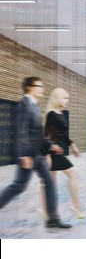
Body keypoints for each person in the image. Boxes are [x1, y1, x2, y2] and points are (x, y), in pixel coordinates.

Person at [0, 77, 72, 228]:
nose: (42, 89)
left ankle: (53, 218)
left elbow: (39, 134)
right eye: (39, 86)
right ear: (29, 87)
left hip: (38, 154)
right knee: (19, 186)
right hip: (28, 155)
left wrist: (52, 146)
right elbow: (22, 131)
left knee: (49, 182)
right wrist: (23, 155)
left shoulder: (35, 105)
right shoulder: (23, 104)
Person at [40, 88, 85, 219]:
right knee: (73, 175)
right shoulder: (51, 114)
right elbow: (46, 136)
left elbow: (64, 135)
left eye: (68, 98)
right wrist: (48, 153)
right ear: (57, 98)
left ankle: (44, 209)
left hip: (59, 151)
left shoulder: (61, 114)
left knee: (50, 182)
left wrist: (73, 144)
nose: (67, 101)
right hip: (54, 152)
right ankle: (76, 206)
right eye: (65, 98)